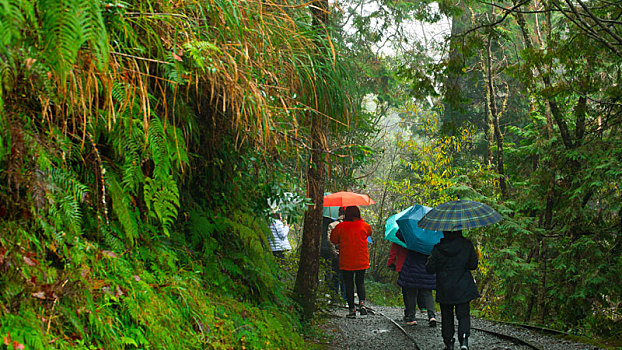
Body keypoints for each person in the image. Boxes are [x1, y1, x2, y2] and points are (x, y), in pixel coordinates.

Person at [426, 230, 479, 350]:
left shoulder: (438, 248)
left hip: (445, 287)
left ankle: (449, 342)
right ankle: (464, 340)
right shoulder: (467, 245)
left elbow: (429, 269)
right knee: (464, 315)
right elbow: (473, 265)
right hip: (463, 286)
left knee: (447, 316)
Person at [330, 206, 372, 319]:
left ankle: (352, 310)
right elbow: (369, 232)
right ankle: (362, 303)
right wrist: (360, 220)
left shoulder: (341, 227)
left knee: (348, 284)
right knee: (360, 282)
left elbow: (333, 239)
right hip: (361, 260)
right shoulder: (364, 225)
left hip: (346, 260)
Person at [395, 231, 437, 327]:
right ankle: (431, 315)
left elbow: (398, 234)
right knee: (427, 291)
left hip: (412, 265)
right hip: (426, 265)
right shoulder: (432, 231)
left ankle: (412, 317)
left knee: (411, 291)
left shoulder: (412, 231)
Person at [322, 207, 346, 303]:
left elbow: (329, 241)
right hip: (347, 255)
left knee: (335, 275)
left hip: (336, 254)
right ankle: (345, 298)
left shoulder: (332, 225)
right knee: (345, 277)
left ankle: (334, 297)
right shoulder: (350, 225)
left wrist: (334, 253)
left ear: (339, 213)